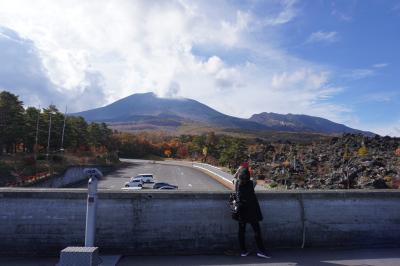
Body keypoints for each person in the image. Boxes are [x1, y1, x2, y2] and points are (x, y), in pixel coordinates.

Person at [234, 163, 270, 258]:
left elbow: (234, 178)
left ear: (240, 176)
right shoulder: (251, 184)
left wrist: (238, 170)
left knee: (241, 232)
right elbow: (255, 180)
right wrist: (250, 172)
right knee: (256, 231)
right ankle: (261, 250)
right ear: (248, 177)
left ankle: (243, 251)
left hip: (241, 211)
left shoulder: (237, 183)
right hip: (252, 211)